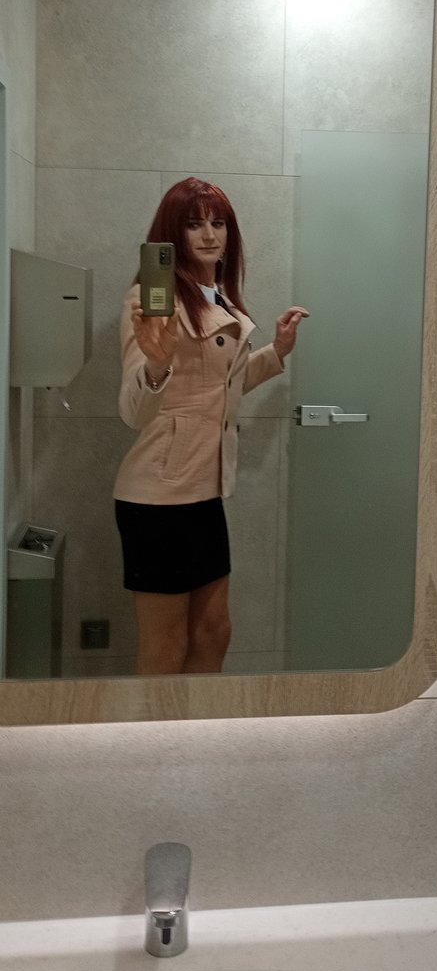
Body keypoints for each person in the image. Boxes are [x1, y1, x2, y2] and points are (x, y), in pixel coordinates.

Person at [113, 176, 308, 677]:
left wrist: (276, 353)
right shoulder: (150, 299)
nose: (208, 235)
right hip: (158, 497)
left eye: (218, 223)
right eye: (193, 224)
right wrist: (157, 362)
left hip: (203, 490)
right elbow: (134, 411)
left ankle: (198, 722)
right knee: (166, 643)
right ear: (171, 233)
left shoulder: (216, 296)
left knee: (214, 630)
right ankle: (155, 729)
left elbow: (218, 388)